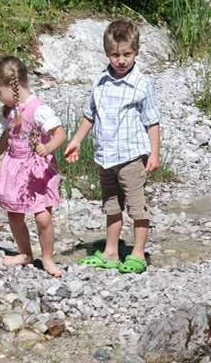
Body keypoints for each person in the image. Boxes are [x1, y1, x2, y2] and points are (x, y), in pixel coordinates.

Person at [63, 19, 161, 273]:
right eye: (115, 54)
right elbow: (89, 115)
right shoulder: (100, 82)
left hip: (130, 156)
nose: (121, 60)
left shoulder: (142, 84)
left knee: (137, 206)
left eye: (127, 54)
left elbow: (152, 121)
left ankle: (138, 253)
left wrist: (154, 153)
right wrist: (76, 141)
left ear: (136, 52)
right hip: (105, 156)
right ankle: (111, 252)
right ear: (107, 53)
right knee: (111, 204)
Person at [0, 56, 67, 277]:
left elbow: (60, 134)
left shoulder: (38, 109)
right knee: (15, 214)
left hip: (37, 169)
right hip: (15, 167)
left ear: (13, 86)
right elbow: (7, 136)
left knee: (42, 217)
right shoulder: (10, 111)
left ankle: (47, 258)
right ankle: (25, 253)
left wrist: (48, 148)